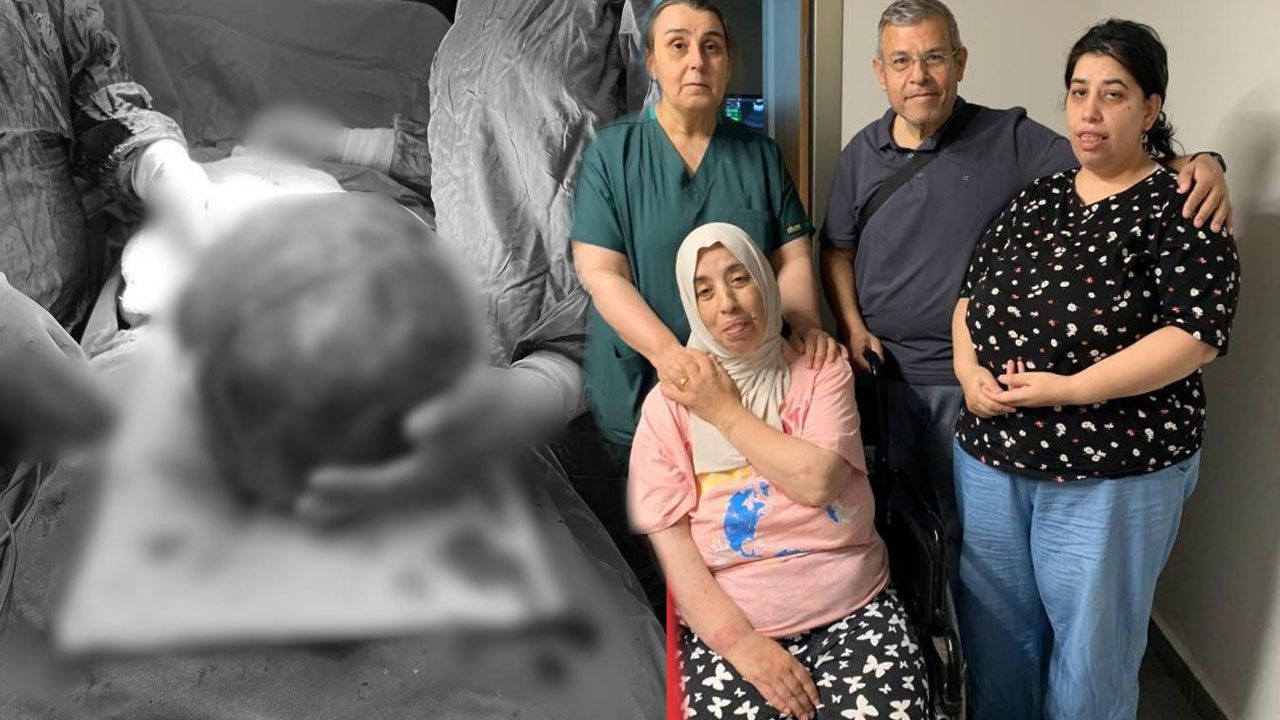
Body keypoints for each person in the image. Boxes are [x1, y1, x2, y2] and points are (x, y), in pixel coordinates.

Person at [817, 0, 1234, 580]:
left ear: (960, 62)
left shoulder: (1011, 139)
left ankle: (953, 633)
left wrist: (1204, 162)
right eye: (902, 61)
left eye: (934, 57)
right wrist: (853, 327)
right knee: (892, 523)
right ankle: (916, 633)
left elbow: (1109, 154)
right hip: (882, 374)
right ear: (879, 71)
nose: (919, 76)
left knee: (961, 540)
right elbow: (837, 248)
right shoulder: (861, 153)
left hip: (965, 386)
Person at [950, 19, 1240, 719]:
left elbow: (1195, 336)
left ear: (1150, 108)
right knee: (996, 637)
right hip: (993, 454)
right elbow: (968, 298)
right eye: (1079, 92)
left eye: (1113, 94)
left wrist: (1073, 389)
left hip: (1111, 466)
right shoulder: (1036, 198)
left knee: (1091, 649)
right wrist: (967, 371)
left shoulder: (1184, 204)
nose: (1090, 111)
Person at [571, 0, 840, 609]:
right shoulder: (614, 155)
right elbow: (601, 273)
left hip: (748, 388)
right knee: (660, 563)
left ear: (728, 61)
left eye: (712, 46)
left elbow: (792, 257)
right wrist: (671, 357)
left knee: (741, 543)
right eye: (678, 45)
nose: (697, 60)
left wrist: (804, 326)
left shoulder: (759, 156)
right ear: (652, 62)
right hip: (644, 381)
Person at [630, 223, 929, 720]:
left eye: (739, 279)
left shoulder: (822, 369)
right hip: (735, 628)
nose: (727, 303)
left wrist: (722, 410)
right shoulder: (667, 408)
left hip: (854, 607)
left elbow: (818, 482)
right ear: (691, 306)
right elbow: (673, 547)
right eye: (705, 291)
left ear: (767, 284)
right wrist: (741, 645)